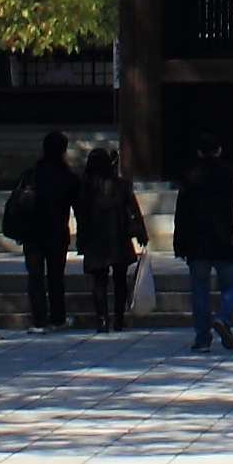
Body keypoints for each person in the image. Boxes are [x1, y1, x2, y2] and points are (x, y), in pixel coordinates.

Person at [175, 135, 233, 354]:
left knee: (199, 291)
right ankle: (223, 316)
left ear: (199, 152)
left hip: (198, 243)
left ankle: (203, 337)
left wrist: (180, 243)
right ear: (219, 149)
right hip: (226, 240)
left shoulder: (190, 176)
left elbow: (182, 213)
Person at [4, 131, 80, 331]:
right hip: (56, 233)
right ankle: (58, 317)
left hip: (32, 233)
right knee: (56, 277)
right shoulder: (68, 177)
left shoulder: (31, 174)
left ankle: (39, 319)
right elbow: (79, 207)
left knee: (35, 277)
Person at [76, 142, 148, 332]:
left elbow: (81, 215)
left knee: (99, 281)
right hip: (118, 236)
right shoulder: (121, 185)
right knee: (120, 280)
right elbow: (133, 209)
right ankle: (118, 318)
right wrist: (141, 232)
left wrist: (81, 240)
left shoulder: (85, 188)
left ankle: (102, 319)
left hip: (95, 239)